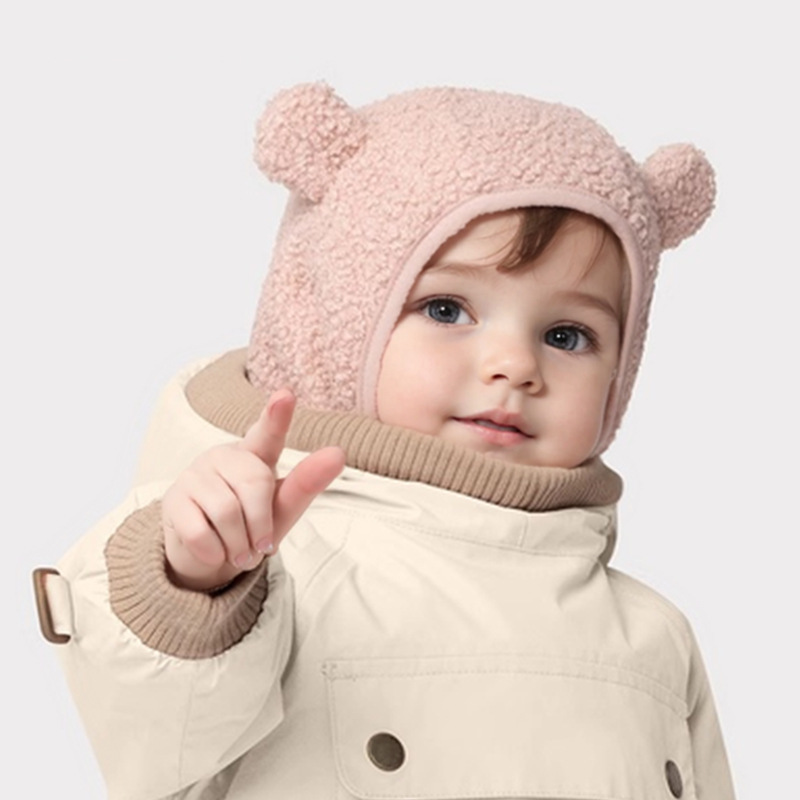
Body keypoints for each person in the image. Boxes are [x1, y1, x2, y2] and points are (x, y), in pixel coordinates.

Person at [34, 83, 735, 799]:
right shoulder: (270, 573)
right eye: (446, 309)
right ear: (331, 323)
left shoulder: (655, 636)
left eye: (566, 335)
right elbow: (150, 739)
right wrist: (190, 585)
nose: (515, 365)